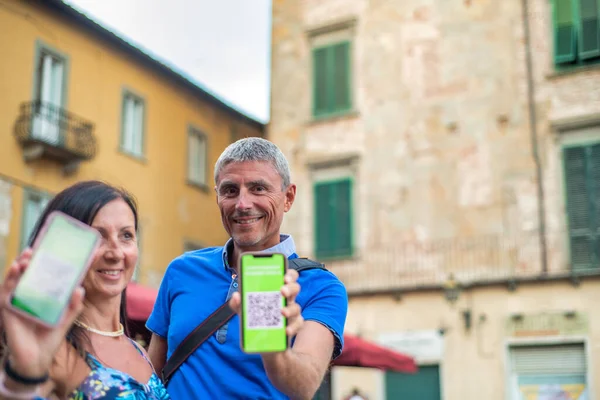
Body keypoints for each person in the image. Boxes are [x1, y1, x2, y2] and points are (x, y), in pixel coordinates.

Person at [147, 137, 349, 399]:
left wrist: (269, 341)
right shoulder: (182, 270)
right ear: (218, 196)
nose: (242, 204)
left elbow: (304, 386)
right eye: (230, 190)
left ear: (288, 198)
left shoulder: (322, 287)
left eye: (258, 189)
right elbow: (151, 375)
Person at [0, 181, 169, 400]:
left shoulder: (140, 351)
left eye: (126, 235)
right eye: (97, 237)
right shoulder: (50, 350)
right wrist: (23, 376)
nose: (116, 253)